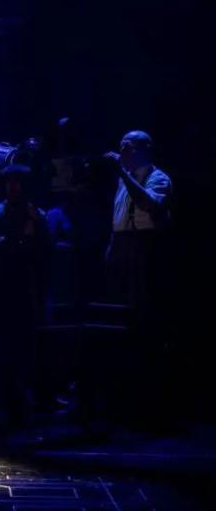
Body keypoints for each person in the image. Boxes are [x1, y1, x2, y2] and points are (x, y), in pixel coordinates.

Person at [103, 130, 173, 423]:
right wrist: (111, 246)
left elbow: (149, 205)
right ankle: (120, 393)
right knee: (117, 314)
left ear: (145, 148)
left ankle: (147, 398)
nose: (122, 151)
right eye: (120, 146)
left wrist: (121, 172)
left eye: (128, 146)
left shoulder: (159, 177)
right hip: (123, 246)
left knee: (142, 314)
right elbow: (120, 216)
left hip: (144, 246)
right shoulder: (124, 178)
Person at [0, 164, 50, 425]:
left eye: (17, 182)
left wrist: (21, 241)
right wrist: (19, 241)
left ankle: (29, 390)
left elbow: (44, 246)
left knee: (28, 339)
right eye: (9, 182)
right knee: (3, 338)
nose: (13, 187)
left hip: (28, 284)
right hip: (3, 284)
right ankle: (5, 390)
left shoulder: (36, 214)